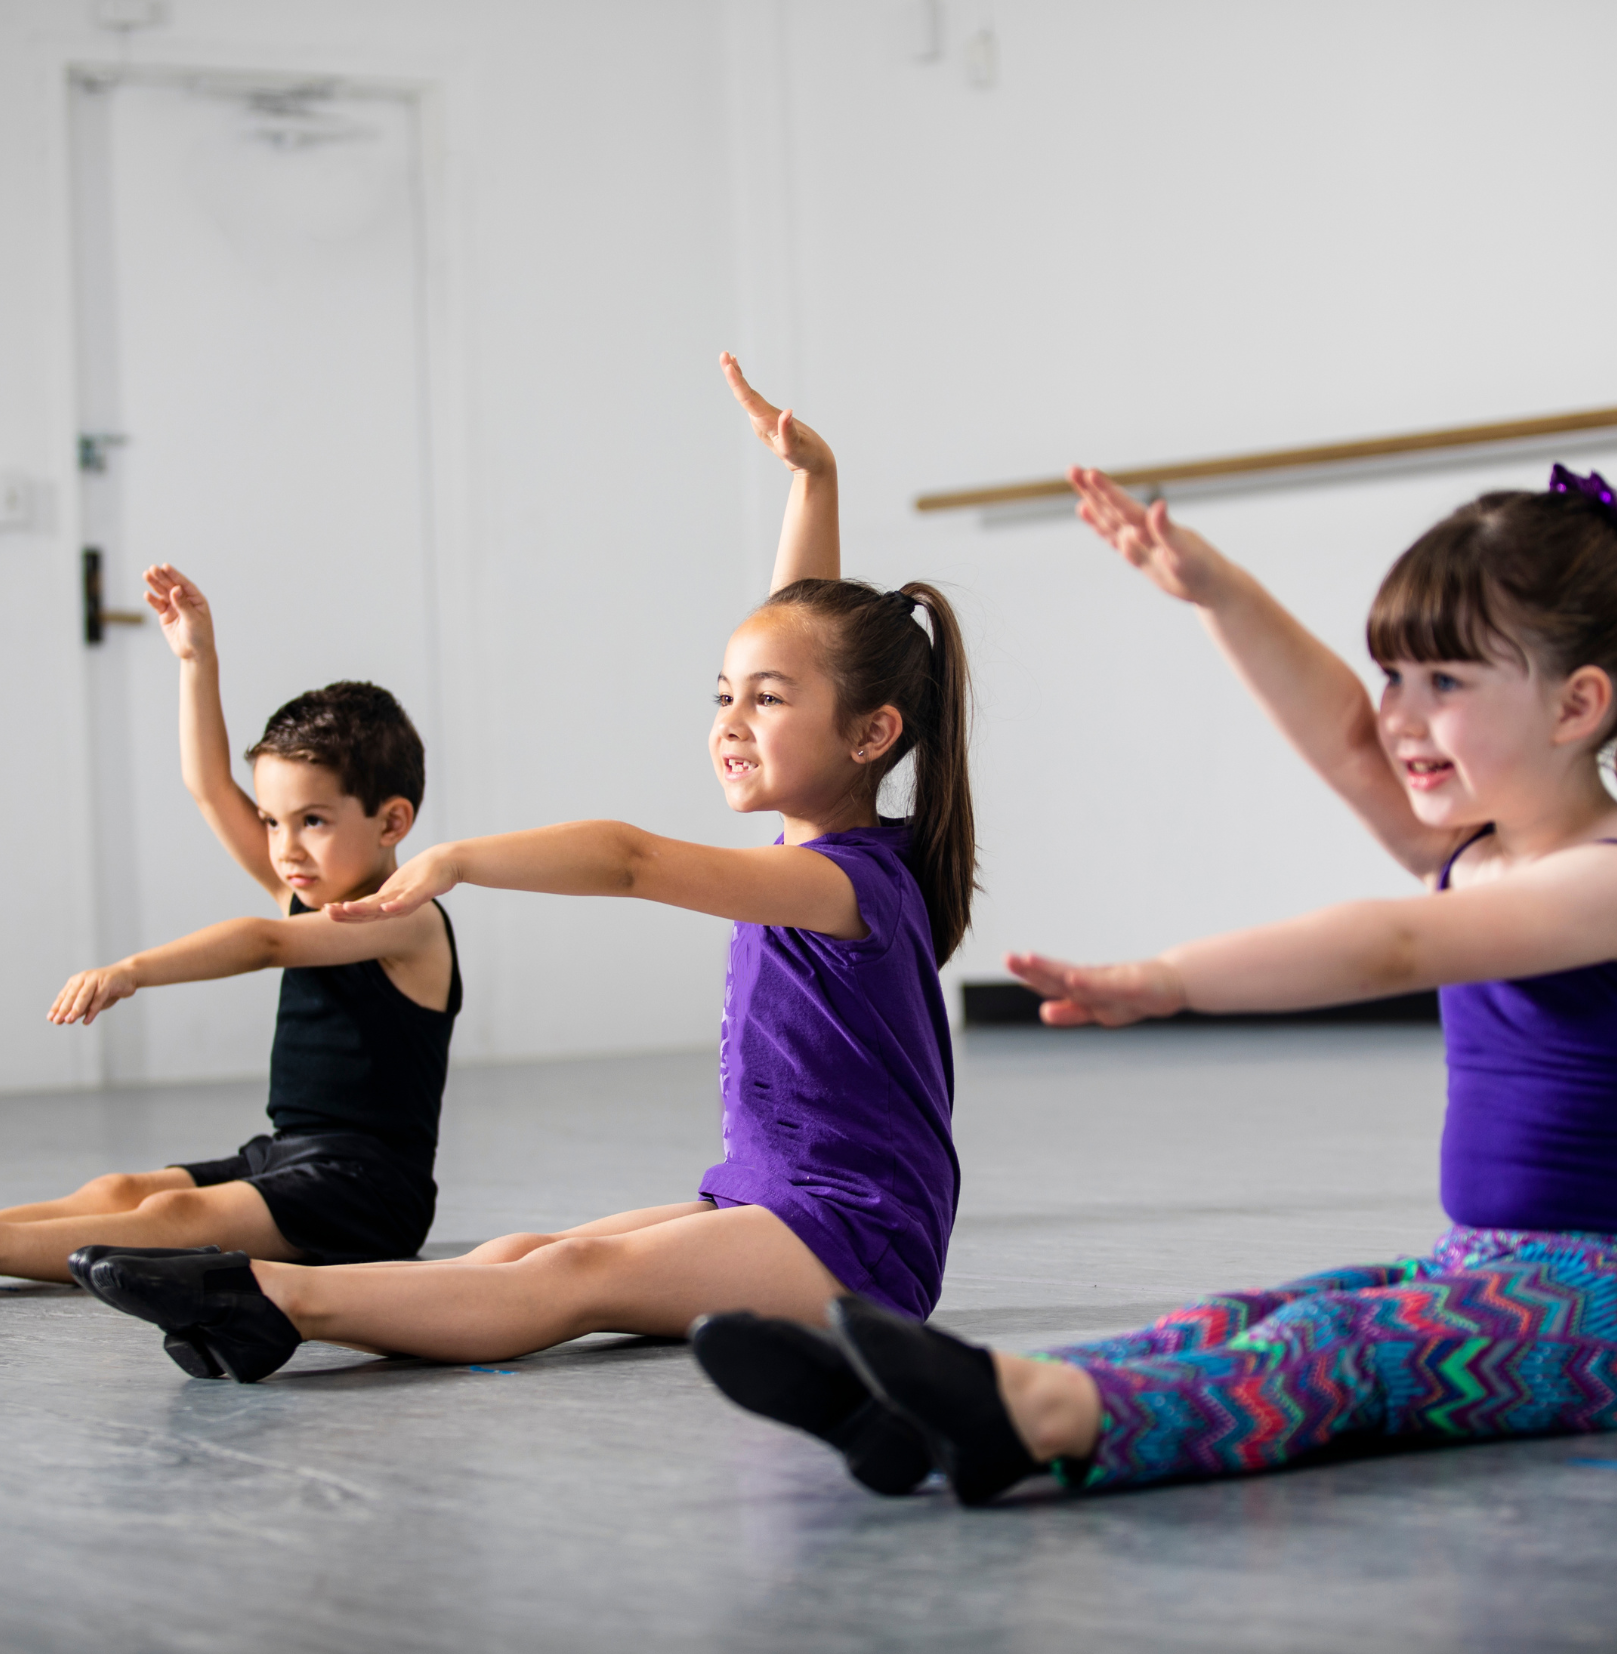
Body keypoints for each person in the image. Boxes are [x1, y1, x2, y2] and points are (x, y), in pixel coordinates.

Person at [692, 461, 1617, 1505]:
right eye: (1394, 677)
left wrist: (1166, 979)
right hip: (1489, 1261)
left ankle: (1039, 1422)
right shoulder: (1475, 850)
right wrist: (1217, 595)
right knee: (1250, 1317)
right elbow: (1341, 736)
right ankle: (927, 1412)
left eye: (1446, 683)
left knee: (1340, 1346)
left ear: (1578, 704)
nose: (1399, 717)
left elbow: (1397, 948)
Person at [77, 356, 975, 1441]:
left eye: (765, 700)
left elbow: (632, 859)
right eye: (722, 694)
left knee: (579, 1275)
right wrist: (812, 483)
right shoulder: (812, 841)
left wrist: (456, 859)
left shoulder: (837, 880)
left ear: (871, 734)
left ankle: (272, 1297)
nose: (730, 720)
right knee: (521, 1254)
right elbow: (807, 632)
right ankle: (275, 1311)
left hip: (858, 1237)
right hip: (765, 1200)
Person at [12, 571, 460, 1285]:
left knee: (173, 1226)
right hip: (287, 1152)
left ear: (392, 820)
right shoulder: (301, 887)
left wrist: (132, 969)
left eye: (313, 821)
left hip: (367, 1191)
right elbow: (209, 786)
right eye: (273, 822)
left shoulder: (406, 917)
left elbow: (266, 943)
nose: (285, 847)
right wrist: (197, 661)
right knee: (122, 1194)